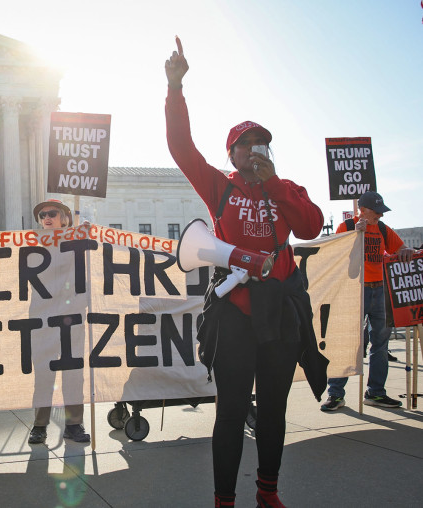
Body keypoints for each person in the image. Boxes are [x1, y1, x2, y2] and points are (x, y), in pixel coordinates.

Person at [165, 37, 327, 508]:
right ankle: (224, 499)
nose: (256, 149)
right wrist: (175, 88)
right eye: (247, 144)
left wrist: (274, 184)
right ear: (232, 153)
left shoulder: (287, 188)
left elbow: (311, 225)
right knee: (231, 410)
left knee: (274, 409)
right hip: (234, 313)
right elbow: (180, 147)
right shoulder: (219, 185)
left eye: (263, 143)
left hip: (279, 312)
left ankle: (267, 492)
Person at [321, 191, 415, 412]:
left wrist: (407, 251)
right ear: (362, 210)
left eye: (382, 213)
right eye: (377, 212)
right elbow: (337, 256)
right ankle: (335, 394)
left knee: (380, 345)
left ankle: (376, 392)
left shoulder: (383, 229)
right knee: (347, 343)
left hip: (380, 290)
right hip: (355, 290)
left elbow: (400, 248)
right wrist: (355, 234)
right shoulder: (346, 227)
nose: (380, 217)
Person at [27, 199, 90, 445]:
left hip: (71, 316)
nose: (46, 218)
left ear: (64, 217)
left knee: (73, 372)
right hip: (42, 319)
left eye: (51, 213)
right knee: (43, 372)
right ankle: (39, 425)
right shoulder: (32, 245)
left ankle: (74, 425)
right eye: (42, 215)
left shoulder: (78, 241)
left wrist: (86, 236)